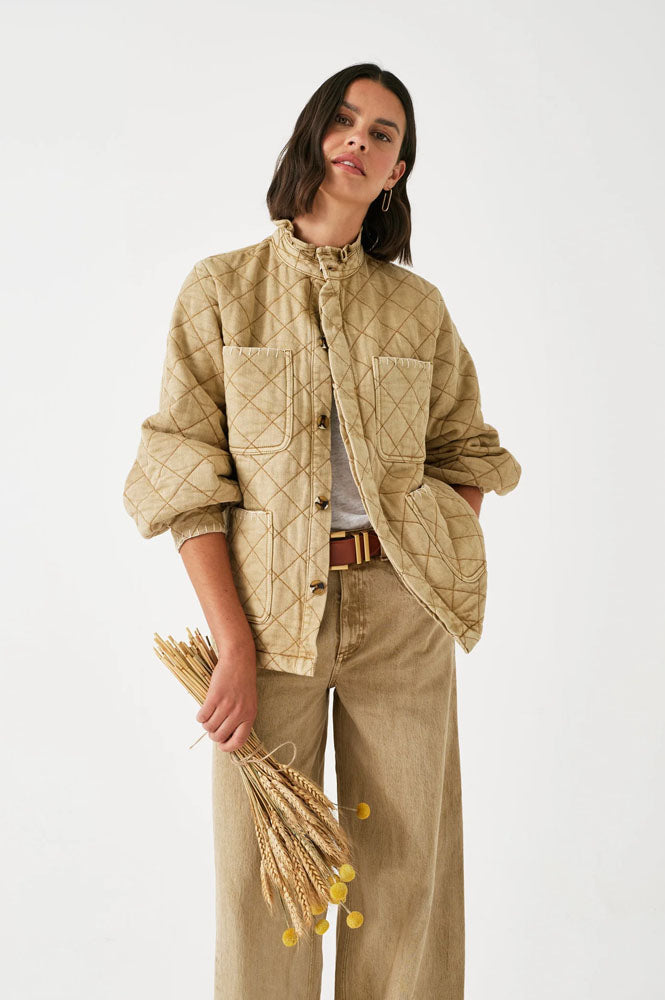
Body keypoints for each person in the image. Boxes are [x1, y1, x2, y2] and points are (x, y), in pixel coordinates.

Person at [123, 62, 521, 1000]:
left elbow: (466, 451)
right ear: (313, 135)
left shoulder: (415, 309)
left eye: (384, 133)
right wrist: (230, 645)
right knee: (268, 879)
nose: (360, 139)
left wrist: (422, 559)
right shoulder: (221, 291)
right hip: (265, 625)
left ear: (396, 171)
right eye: (345, 120)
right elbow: (186, 479)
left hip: (400, 619)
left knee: (406, 871)